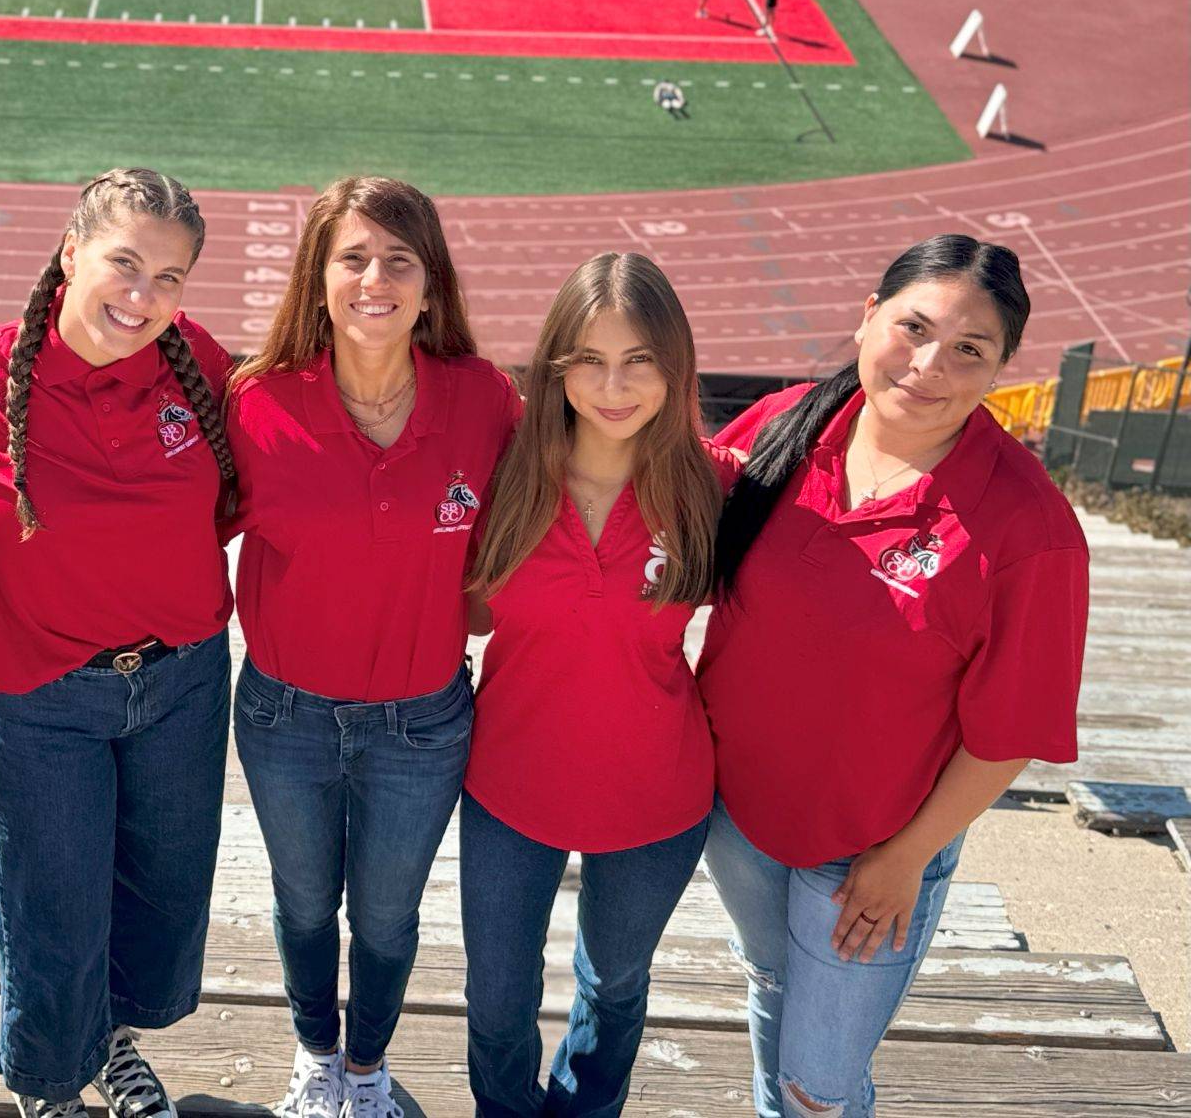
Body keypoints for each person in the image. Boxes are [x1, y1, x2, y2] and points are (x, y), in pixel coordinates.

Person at [699, 234, 1089, 1118]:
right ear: (867, 316)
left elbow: (1013, 732)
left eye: (968, 350)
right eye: (912, 326)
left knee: (819, 1089)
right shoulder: (790, 424)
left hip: (873, 849)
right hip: (739, 813)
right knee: (771, 984)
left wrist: (905, 859)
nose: (927, 366)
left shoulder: (1029, 527)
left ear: (1001, 371)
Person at [0, 168, 238, 1118]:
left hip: (182, 681)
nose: (142, 297)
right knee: (51, 908)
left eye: (168, 279)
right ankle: (50, 1081)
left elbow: (229, 506)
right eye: (124, 264)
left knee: (162, 900)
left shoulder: (197, 365)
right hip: (44, 693)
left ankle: (111, 1039)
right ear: (69, 253)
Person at [224, 176, 517, 1118]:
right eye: (353, 258)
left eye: (400, 260)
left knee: (388, 916)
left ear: (432, 284)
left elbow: (511, 550)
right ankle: (315, 1055)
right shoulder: (257, 401)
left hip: (422, 723)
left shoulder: (483, 402)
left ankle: (366, 1069)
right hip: (285, 716)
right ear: (318, 278)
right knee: (305, 905)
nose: (374, 279)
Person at [459, 253, 734, 1117]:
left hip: (655, 794)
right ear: (555, 367)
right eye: (589, 360)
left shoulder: (715, 486)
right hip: (508, 784)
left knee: (614, 985)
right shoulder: (504, 473)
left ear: (674, 366)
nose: (613, 387)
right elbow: (460, 607)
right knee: (498, 995)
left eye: (639, 360)